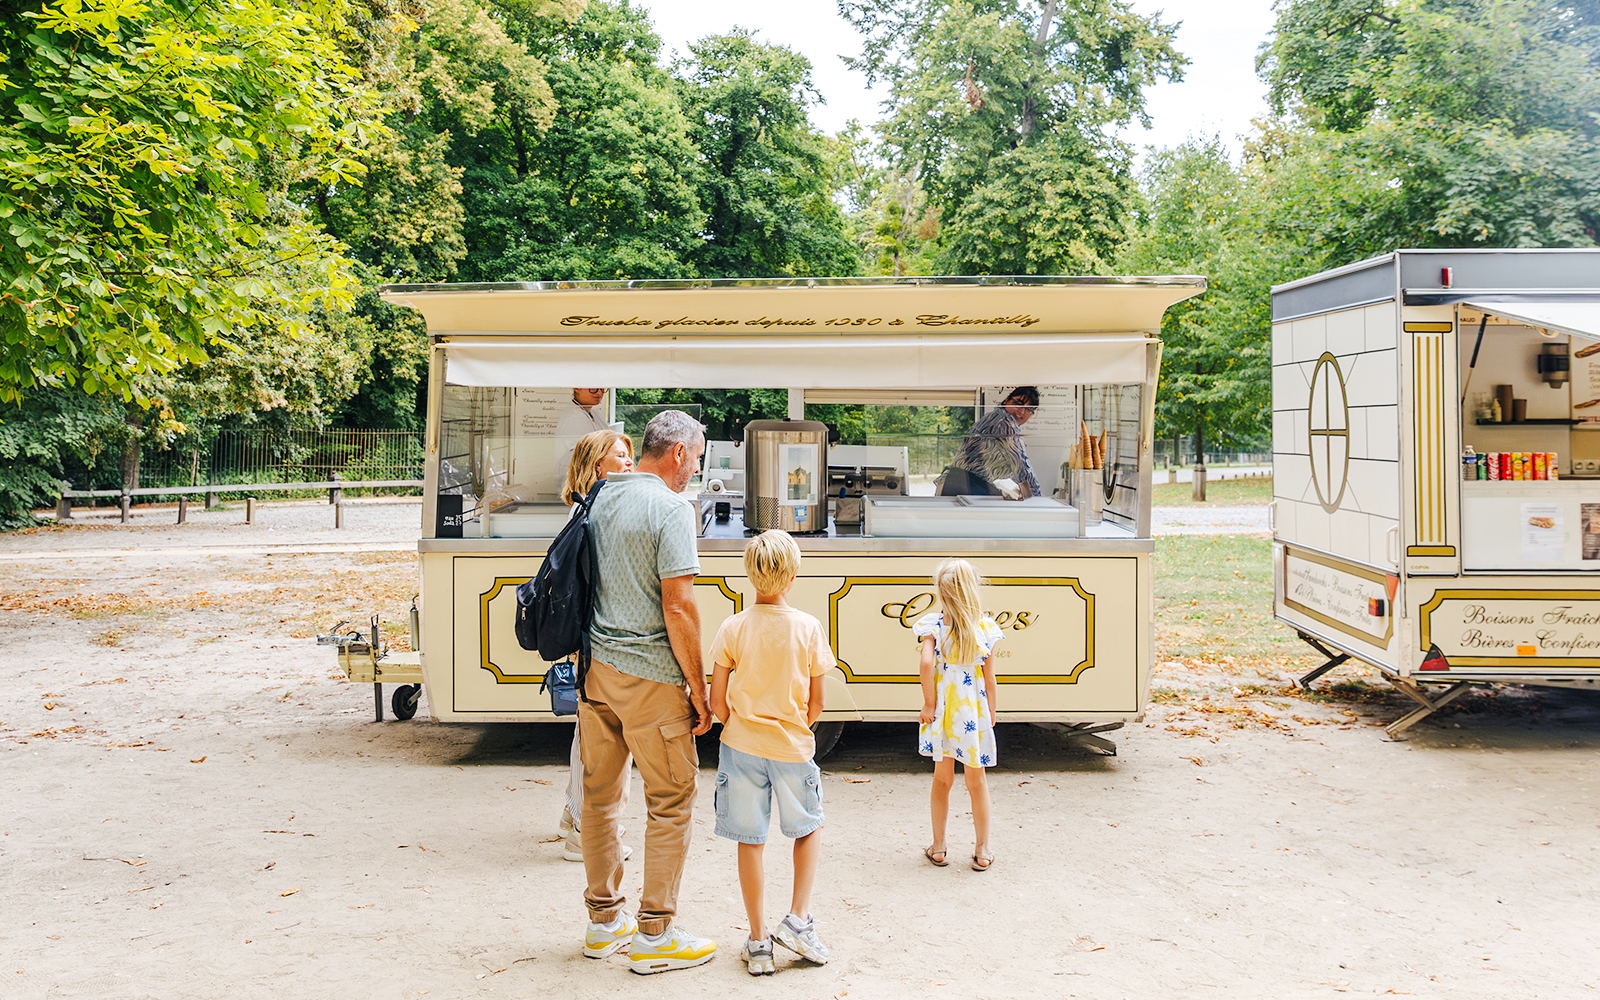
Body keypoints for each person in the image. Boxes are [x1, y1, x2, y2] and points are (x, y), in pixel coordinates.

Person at [577, 409, 718, 975]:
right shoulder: (669, 508)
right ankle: (656, 933)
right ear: (679, 453)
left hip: (596, 674)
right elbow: (679, 606)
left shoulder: (598, 496)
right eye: (700, 456)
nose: (698, 468)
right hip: (651, 677)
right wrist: (700, 689)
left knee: (600, 797)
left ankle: (603, 923)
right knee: (669, 799)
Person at [707, 530, 834, 976]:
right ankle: (798, 918)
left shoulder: (733, 627)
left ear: (749, 575)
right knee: (807, 827)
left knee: (750, 839)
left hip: (740, 746)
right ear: (793, 576)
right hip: (792, 746)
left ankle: (759, 942)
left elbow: (717, 699)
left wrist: (738, 724)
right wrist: (799, 726)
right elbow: (818, 701)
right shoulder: (808, 627)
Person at [556, 430, 634, 863]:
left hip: (586, 637)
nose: (628, 462)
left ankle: (574, 816)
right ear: (596, 465)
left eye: (629, 455)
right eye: (618, 456)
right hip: (594, 639)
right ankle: (586, 830)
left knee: (588, 730)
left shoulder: (581, 509)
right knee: (598, 737)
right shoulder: (595, 512)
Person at [916, 557, 1001, 872]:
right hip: (972, 713)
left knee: (942, 780)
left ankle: (938, 847)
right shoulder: (984, 629)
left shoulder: (935, 626)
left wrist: (928, 702)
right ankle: (982, 849)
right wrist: (990, 713)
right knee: (976, 782)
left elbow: (926, 664)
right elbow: (990, 679)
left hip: (944, 710)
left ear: (942, 593)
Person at [937, 386, 1042, 498]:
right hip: (965, 484)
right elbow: (1021, 465)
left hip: (958, 482)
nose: (1021, 411)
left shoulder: (993, 417)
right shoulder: (1005, 422)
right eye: (1018, 404)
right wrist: (1038, 497)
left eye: (1028, 410)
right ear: (1007, 400)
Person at [554, 388, 613, 487]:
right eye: (593, 388)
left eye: (602, 389)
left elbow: (612, 444)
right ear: (577, 388)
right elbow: (592, 455)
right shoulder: (573, 418)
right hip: (577, 484)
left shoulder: (596, 414)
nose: (599, 393)